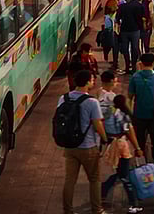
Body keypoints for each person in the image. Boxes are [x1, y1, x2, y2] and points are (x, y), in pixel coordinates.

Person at [60, 69, 106, 214]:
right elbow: (97, 124)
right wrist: (105, 139)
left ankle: (67, 210)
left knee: (69, 180)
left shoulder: (63, 98)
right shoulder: (92, 102)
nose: (93, 82)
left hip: (69, 146)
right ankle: (97, 210)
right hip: (88, 146)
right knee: (94, 179)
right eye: (92, 80)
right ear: (86, 82)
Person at [100, 94, 144, 214]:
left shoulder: (108, 112)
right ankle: (133, 204)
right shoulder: (123, 115)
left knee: (120, 172)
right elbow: (129, 132)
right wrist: (137, 148)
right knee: (125, 176)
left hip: (111, 144)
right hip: (121, 146)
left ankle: (103, 190)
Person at [128, 53, 154, 158]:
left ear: (141, 63)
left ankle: (141, 163)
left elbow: (129, 97)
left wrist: (130, 114)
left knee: (139, 143)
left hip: (139, 114)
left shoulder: (135, 77)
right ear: (153, 63)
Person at [116, 0, 147, 74]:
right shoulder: (138, 5)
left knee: (125, 49)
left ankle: (127, 66)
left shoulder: (122, 6)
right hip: (135, 30)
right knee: (135, 48)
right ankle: (133, 67)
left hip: (124, 30)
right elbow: (142, 17)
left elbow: (118, 19)